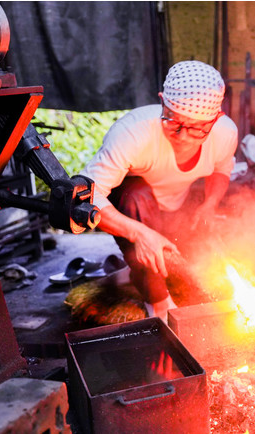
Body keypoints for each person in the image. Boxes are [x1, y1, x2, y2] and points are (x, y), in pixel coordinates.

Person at [81, 60, 238, 322]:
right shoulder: (132, 133)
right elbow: (87, 197)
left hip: (177, 207)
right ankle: (158, 303)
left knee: (198, 276)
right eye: (174, 122)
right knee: (137, 193)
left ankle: (133, 275)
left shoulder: (225, 133)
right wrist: (139, 233)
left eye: (198, 128)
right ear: (162, 101)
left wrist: (210, 204)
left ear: (216, 118)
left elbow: (221, 170)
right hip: (134, 211)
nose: (184, 136)